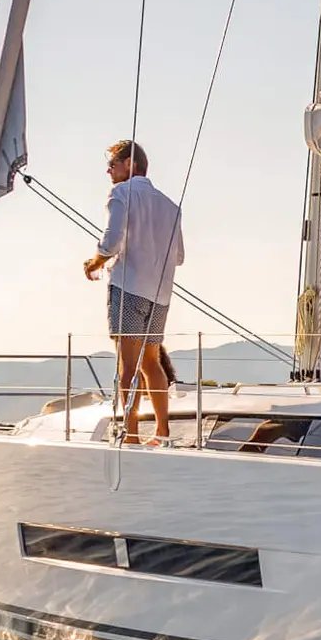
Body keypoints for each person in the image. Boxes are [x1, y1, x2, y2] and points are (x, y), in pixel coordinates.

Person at [83, 139, 184, 443]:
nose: (108, 170)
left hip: (128, 288)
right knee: (151, 364)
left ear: (130, 164)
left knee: (128, 367)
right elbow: (178, 256)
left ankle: (131, 434)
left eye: (112, 163)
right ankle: (163, 432)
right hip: (160, 295)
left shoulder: (121, 193)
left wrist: (95, 262)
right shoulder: (170, 206)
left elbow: (111, 240)